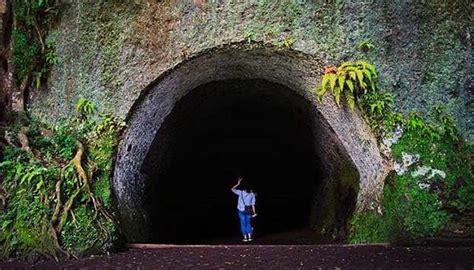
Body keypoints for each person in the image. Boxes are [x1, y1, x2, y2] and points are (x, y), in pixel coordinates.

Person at [231, 177, 257, 242]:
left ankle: (245, 237)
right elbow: (253, 204)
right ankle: (250, 237)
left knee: (243, 223)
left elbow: (232, 189)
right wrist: (254, 213)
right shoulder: (252, 194)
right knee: (248, 223)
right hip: (248, 210)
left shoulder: (241, 192)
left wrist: (238, 183)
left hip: (241, 210)